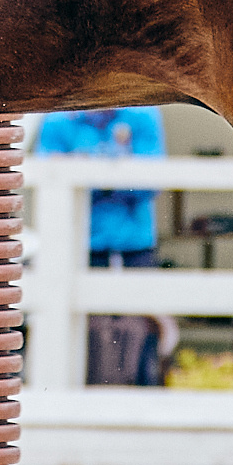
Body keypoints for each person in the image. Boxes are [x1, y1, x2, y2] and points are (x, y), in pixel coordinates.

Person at [32, 107, 175, 386]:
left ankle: (141, 414)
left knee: (142, 337)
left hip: (135, 252)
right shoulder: (57, 119)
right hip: (78, 252)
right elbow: (47, 179)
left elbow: (151, 182)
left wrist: (85, 174)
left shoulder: (143, 115)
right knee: (82, 341)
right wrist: (118, 171)